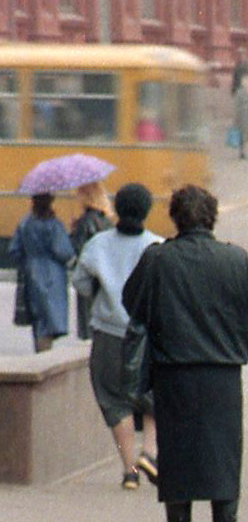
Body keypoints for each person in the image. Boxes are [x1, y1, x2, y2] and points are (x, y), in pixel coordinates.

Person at [122, 185, 248, 522]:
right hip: (223, 376)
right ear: (212, 217)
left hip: (174, 375)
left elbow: (131, 303)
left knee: (178, 459)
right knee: (224, 458)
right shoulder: (236, 259)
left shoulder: (159, 260)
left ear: (175, 217)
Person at [71, 183, 161, 489]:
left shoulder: (98, 244)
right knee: (153, 396)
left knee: (114, 400)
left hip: (108, 333)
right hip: (146, 334)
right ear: (147, 210)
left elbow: (81, 282)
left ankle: (128, 471)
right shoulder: (156, 245)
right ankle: (149, 452)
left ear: (116, 208)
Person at [10, 192, 73, 352]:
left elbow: (14, 250)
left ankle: (40, 347)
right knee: (50, 317)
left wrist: (28, 259)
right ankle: (44, 354)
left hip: (31, 271)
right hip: (53, 274)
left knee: (38, 316)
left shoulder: (24, 223)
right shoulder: (54, 225)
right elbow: (63, 251)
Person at [69, 180, 114, 339]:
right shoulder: (107, 221)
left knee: (88, 327)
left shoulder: (86, 220)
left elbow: (79, 249)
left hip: (89, 276)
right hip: (105, 276)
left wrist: (73, 232)